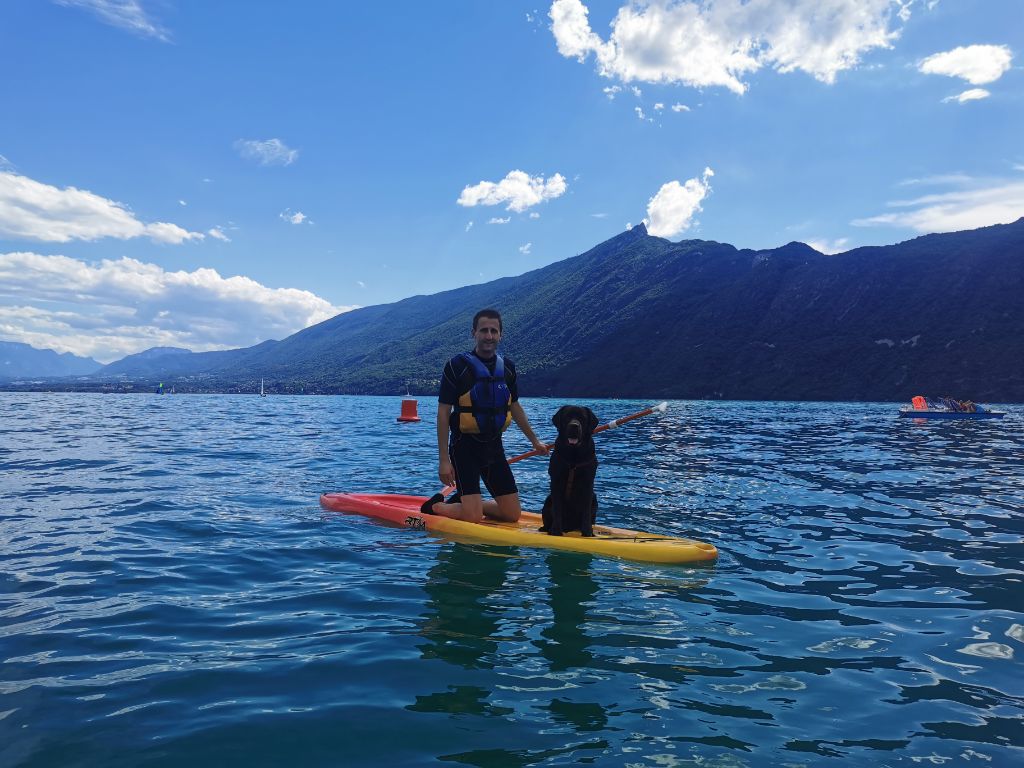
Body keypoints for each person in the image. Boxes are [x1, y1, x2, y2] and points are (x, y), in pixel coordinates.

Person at [421, 308, 547, 523]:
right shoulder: (456, 366)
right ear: (474, 333)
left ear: (501, 334)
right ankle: (436, 506)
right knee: (472, 516)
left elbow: (514, 406)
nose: (489, 336)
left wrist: (534, 441)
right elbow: (443, 413)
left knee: (511, 515)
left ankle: (468, 505)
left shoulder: (507, 367)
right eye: (484, 331)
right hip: (464, 448)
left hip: (494, 447)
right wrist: (444, 460)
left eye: (493, 331)